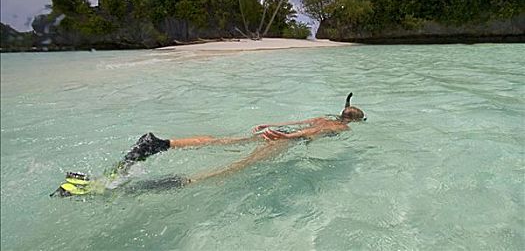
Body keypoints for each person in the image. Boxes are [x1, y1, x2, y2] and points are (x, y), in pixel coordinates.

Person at [51, 92, 366, 197]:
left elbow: (300, 123)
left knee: (222, 142)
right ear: (353, 120)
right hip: (283, 139)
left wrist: (270, 126)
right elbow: (307, 134)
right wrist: (284, 137)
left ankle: (161, 144)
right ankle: (149, 187)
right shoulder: (339, 126)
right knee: (232, 168)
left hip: (278, 129)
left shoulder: (322, 115)